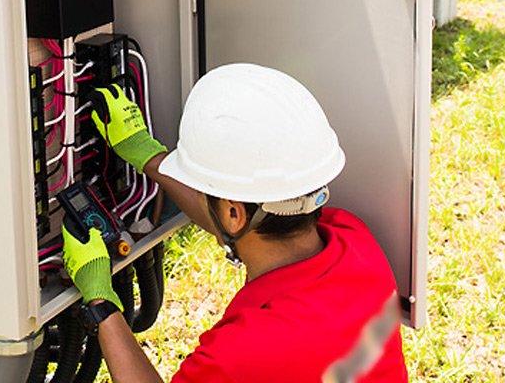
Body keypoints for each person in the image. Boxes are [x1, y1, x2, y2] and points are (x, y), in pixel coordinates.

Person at [62, 63, 408, 382]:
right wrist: (148, 155)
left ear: (232, 213)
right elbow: (237, 219)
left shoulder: (241, 352)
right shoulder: (355, 242)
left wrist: (101, 303)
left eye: (203, 192)